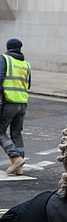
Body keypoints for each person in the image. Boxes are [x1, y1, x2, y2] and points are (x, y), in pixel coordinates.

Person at [1, 38, 31, 176]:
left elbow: (0, 78)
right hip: (22, 103)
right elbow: (28, 84)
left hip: (8, 102)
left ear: (8, 47)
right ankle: (19, 167)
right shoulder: (26, 64)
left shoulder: (5, 59)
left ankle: (15, 157)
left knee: (0, 132)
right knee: (16, 133)